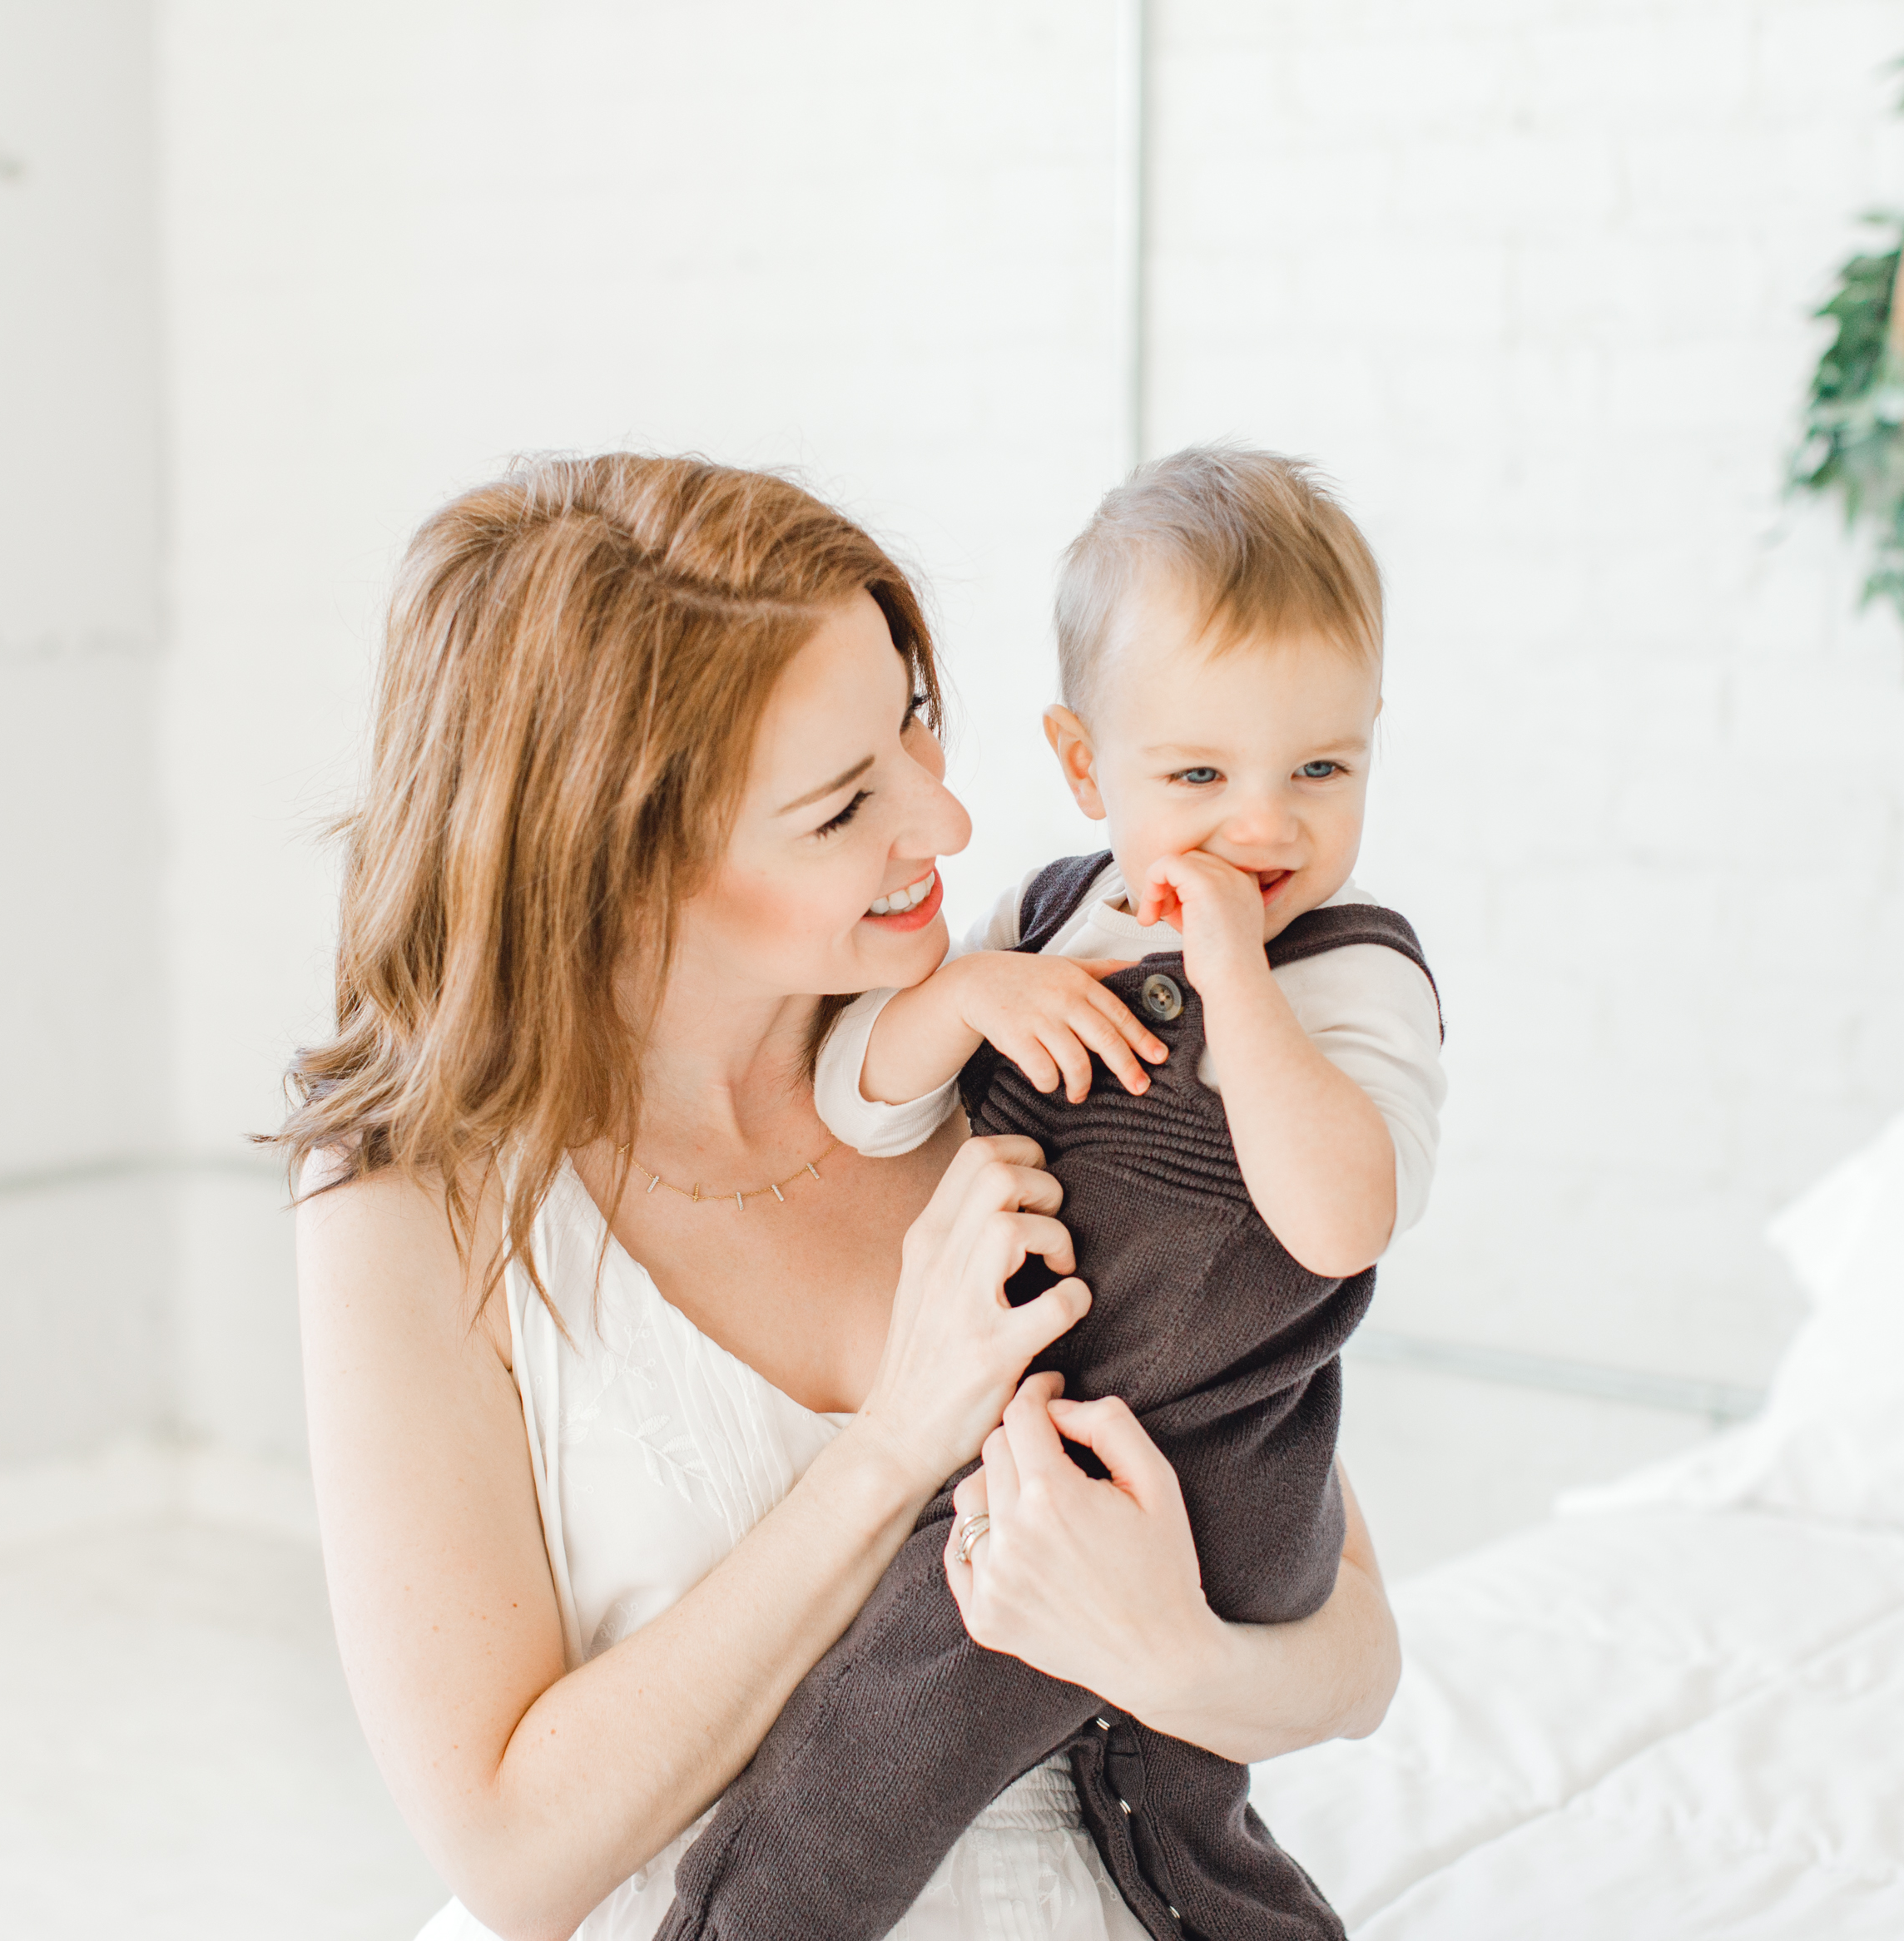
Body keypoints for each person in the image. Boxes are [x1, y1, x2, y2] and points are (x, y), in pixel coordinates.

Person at [276, 453, 1402, 1941]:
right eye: (840, 806)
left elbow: (1359, 1643)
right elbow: (513, 1856)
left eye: (913, 721)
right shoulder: (412, 1209)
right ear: (619, 865)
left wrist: (1173, 1657)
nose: (947, 821)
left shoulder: (1023, 1042)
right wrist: (892, 1447)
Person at [655, 448, 1443, 1940]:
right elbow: (861, 1100)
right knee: (1161, 1797)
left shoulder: (1354, 978)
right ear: (1087, 766)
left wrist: (1235, 982)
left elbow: (1344, 1224)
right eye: (1199, 777)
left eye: (1320, 771)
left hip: (1213, 1466)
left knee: (888, 1717)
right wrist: (966, 999)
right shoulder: (1045, 913)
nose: (1263, 828)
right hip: (1060, 1432)